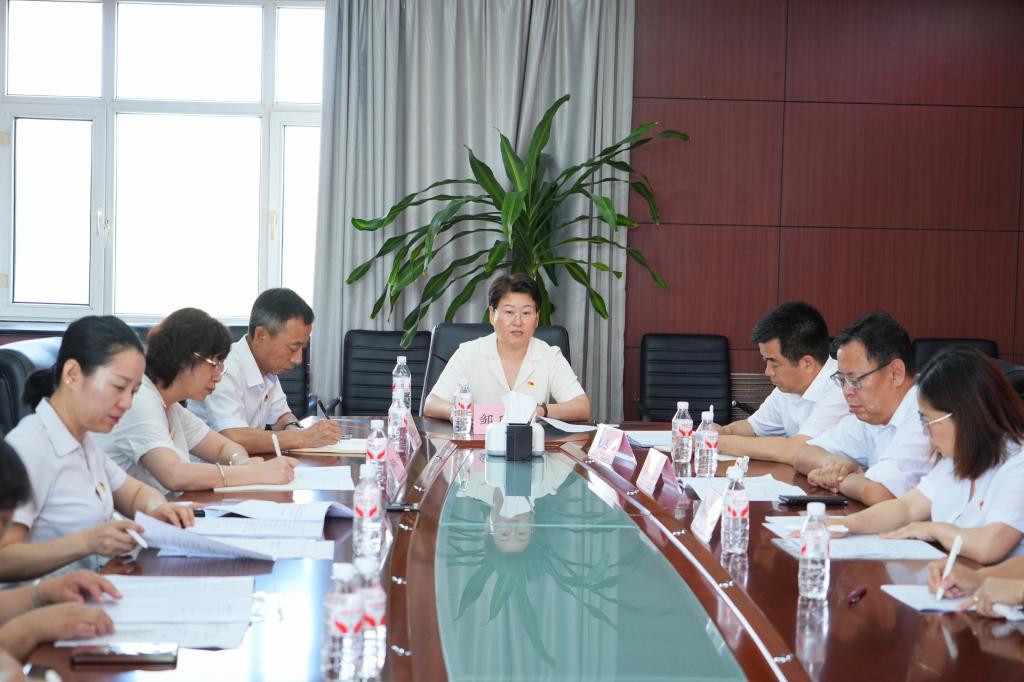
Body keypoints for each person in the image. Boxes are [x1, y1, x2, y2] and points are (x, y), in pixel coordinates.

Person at [0, 316, 194, 582]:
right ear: (72, 374)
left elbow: (134, 493)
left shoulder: (83, 440)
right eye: (118, 387)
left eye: (133, 392)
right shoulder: (30, 447)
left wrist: (156, 508)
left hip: (93, 588)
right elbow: (4, 558)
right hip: (45, 603)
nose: (126, 403)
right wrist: (87, 542)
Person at [837, 347, 1024, 565]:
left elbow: (989, 546)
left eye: (928, 422)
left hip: (991, 582)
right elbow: (906, 509)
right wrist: (845, 524)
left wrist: (934, 530)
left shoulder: (1017, 464)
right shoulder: (955, 460)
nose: (926, 433)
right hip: (952, 575)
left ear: (964, 416)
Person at [97, 308, 297, 495]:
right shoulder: (139, 400)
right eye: (214, 364)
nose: (218, 377)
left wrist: (241, 462)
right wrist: (254, 474)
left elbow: (224, 447)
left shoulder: (171, 407)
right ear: (183, 358)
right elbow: (174, 474)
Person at [793, 311, 933, 505]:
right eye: (842, 380)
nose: (846, 391)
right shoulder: (873, 413)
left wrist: (837, 479)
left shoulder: (927, 412)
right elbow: (802, 454)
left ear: (895, 373)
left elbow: (879, 493)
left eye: (854, 379)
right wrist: (835, 465)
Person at [0, 440, 120, 660]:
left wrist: (43, 592)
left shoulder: (88, 445)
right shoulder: (32, 445)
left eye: (6, 522)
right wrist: (31, 627)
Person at [188, 288, 341, 453]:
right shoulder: (223, 369)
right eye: (293, 348)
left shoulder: (267, 368)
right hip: (210, 466)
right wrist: (303, 437)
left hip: (247, 463)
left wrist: (293, 427)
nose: (298, 359)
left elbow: (281, 416)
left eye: (302, 348)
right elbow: (234, 437)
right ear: (260, 335)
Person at [423, 274, 590, 422]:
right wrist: (461, 412)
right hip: (477, 444)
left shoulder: (549, 355)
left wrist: (541, 411)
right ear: (492, 314)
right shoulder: (469, 352)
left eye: (526, 313)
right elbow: (431, 403)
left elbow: (582, 406)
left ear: (537, 318)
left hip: (530, 444)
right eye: (509, 312)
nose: (518, 322)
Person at [715, 302, 847, 463]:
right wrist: (723, 431)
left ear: (807, 363)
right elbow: (753, 428)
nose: (767, 371)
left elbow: (798, 450)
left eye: (773, 363)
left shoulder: (842, 387)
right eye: (765, 361)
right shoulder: (789, 387)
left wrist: (717, 442)